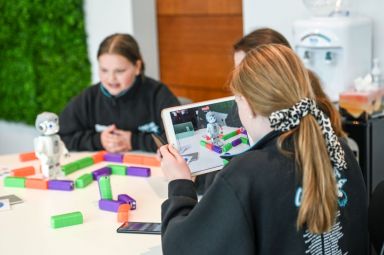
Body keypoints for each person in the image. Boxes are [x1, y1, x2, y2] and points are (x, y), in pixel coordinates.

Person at [159, 44, 368, 254]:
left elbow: (182, 248)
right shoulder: (339, 149)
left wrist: (180, 184)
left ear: (248, 106)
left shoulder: (247, 172)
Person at [195, 28, 345, 194]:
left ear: (270, 74)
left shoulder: (267, 165)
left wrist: (182, 184)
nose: (238, 80)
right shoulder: (336, 146)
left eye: (244, 71)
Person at [59, 33, 180, 152]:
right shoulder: (89, 98)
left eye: (120, 71)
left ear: (137, 67)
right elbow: (61, 135)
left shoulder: (157, 94)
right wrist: (98, 140)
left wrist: (133, 141)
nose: (111, 78)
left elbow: (181, 138)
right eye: (104, 70)